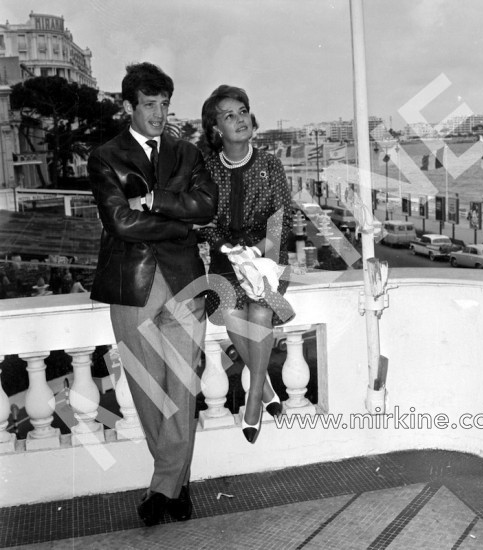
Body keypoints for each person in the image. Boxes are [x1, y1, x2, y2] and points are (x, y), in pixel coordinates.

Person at [87, 62, 217, 526]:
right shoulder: (104, 156)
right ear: (128, 106)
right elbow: (119, 221)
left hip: (184, 282)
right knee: (148, 392)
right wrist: (178, 219)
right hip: (131, 285)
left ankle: (163, 488)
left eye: (165, 104)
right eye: (149, 105)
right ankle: (176, 489)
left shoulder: (187, 152)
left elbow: (208, 206)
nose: (159, 114)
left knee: (181, 388)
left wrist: (156, 202)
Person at [199, 85, 294, 445]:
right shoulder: (207, 169)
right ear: (215, 129)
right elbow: (206, 221)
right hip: (225, 257)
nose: (240, 120)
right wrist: (231, 252)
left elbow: (280, 221)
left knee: (259, 312)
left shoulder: (270, 164)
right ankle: (265, 387)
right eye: (229, 115)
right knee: (230, 307)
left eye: (243, 111)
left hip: (267, 256)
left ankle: (254, 398)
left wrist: (254, 254)